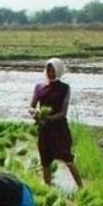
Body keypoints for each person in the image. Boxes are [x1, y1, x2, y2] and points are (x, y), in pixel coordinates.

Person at [28, 58, 83, 189]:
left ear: (58, 71)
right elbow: (31, 106)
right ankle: (47, 188)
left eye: (53, 70)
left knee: (67, 158)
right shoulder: (39, 87)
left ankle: (81, 187)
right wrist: (35, 112)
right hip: (44, 130)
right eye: (48, 70)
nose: (50, 73)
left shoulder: (64, 88)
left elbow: (63, 113)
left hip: (59, 129)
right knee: (45, 160)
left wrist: (47, 118)